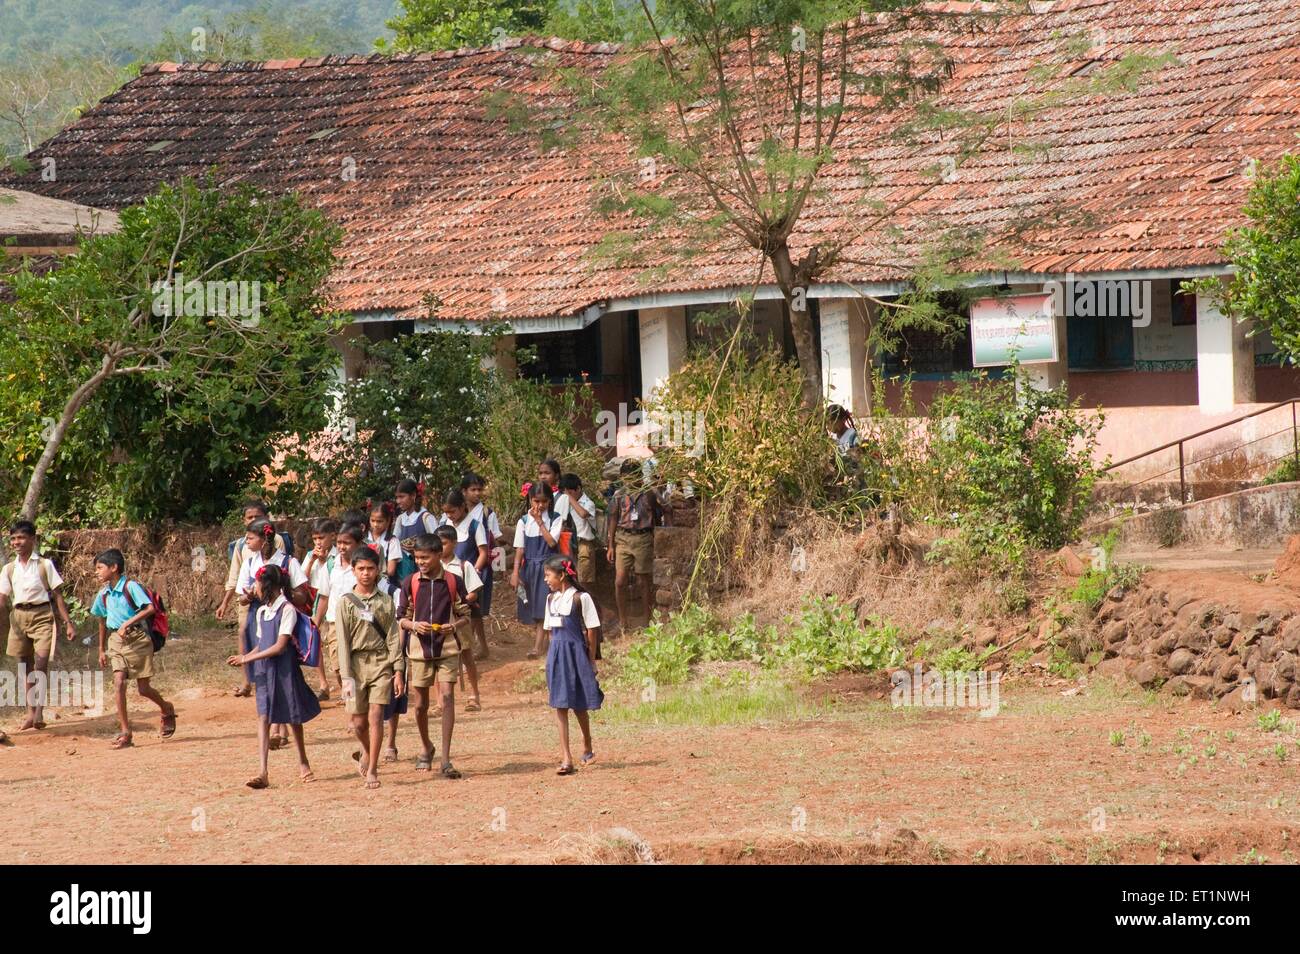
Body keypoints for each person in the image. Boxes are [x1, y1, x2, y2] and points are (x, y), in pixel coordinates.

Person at [225, 564, 319, 788]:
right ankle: (263, 771)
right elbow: (261, 645)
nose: (254, 589)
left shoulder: (287, 609)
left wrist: (246, 659)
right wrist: (245, 656)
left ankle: (303, 762)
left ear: (268, 585)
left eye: (257, 584)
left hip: (284, 670)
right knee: (263, 717)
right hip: (264, 671)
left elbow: (279, 646)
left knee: (293, 717)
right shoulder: (261, 611)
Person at [395, 534, 472, 778]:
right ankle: (426, 746)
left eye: (425, 557)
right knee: (419, 706)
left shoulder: (453, 581)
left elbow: (465, 614)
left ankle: (446, 759)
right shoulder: (410, 583)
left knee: (447, 697)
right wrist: (413, 625)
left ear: (439, 555)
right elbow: (402, 617)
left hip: (447, 647)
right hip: (418, 650)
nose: (421, 562)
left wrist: (454, 626)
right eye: (417, 558)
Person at [236, 519, 311, 749]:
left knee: (282, 671)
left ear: (262, 538)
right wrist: (251, 596)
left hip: (282, 614)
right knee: (265, 672)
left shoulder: (287, 561)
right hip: (259, 613)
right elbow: (241, 597)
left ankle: (280, 728)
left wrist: (283, 595)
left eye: (250, 538)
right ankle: (275, 726)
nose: (247, 542)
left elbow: (303, 595)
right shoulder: (250, 562)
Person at [90, 548, 176, 749]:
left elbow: (149, 608)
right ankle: (126, 732)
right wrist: (101, 649)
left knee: (144, 689)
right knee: (119, 681)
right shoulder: (103, 594)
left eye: (100, 567)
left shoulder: (131, 587)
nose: (97, 572)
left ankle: (166, 708)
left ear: (114, 568)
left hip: (137, 639)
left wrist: (127, 623)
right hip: (116, 641)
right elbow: (101, 620)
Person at [335, 546, 402, 790]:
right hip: (354, 665)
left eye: (370, 568)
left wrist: (398, 670)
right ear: (353, 570)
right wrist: (345, 677)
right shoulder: (345, 603)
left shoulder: (385, 602)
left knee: (376, 717)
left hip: (381, 664)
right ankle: (366, 749)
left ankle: (373, 767)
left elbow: (393, 637)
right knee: (359, 723)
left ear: (378, 571)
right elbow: (342, 642)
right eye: (361, 568)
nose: (365, 573)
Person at [0, 520, 76, 732]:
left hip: (42, 615)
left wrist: (68, 623)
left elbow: (58, 595)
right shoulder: (9, 569)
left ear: (32, 539)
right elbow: (2, 598)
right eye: (13, 538)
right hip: (18, 617)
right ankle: (30, 713)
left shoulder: (44, 565)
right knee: (24, 667)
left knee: (41, 663)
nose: (17, 542)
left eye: (22, 537)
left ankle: (40, 710)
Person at [215, 499, 287, 697]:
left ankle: (272, 678)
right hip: (249, 598)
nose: (253, 519)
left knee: (271, 636)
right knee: (244, 631)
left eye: (257, 516)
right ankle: (246, 681)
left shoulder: (277, 541)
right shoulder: (242, 545)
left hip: (272, 598)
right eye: (250, 517)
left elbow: (279, 570)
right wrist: (226, 601)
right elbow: (235, 575)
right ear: (243, 520)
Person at [540, 555, 603, 775]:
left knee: (578, 705)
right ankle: (566, 757)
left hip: (576, 654)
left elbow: (592, 629)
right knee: (560, 705)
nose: (546, 580)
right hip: (557, 655)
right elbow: (550, 632)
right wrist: (552, 659)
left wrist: (591, 658)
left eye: (548, 575)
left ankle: (587, 743)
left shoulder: (581, 598)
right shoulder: (550, 600)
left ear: (562, 575)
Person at [439, 488, 488, 710]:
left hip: (459, 618)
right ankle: (440, 701)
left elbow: (474, 592)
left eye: (445, 544)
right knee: (438, 659)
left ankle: (473, 696)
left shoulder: (463, 566)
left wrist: (462, 600)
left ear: (454, 544)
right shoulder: (433, 568)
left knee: (467, 656)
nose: (441, 548)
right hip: (440, 619)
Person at [606, 458, 662, 633]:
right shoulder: (618, 495)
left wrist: (655, 539)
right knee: (620, 581)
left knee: (642, 581)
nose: (628, 482)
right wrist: (610, 545)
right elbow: (613, 519)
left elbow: (656, 517)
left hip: (643, 538)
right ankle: (623, 620)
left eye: (632, 478)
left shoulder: (648, 494)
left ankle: (646, 619)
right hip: (623, 538)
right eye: (625, 478)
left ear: (639, 477)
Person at [512, 482, 563, 660]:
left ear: (549, 501)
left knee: (544, 606)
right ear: (530, 499)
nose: (540, 505)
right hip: (530, 568)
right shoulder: (523, 521)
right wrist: (515, 572)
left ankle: (538, 646)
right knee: (532, 606)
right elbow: (520, 549)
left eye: (544, 501)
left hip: (548, 567)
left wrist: (540, 522)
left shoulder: (556, 518)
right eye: (536, 501)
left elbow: (551, 542)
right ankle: (545, 643)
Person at [319, 522, 366, 705]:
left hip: (358, 623)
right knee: (338, 666)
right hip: (333, 623)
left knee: (356, 664)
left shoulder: (363, 567)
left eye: (346, 543)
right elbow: (324, 596)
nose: (341, 547)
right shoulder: (330, 566)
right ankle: (350, 697)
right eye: (339, 542)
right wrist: (316, 622)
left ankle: (354, 700)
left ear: (357, 544)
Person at [461, 472, 503, 659]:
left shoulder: (487, 514)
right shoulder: (457, 512)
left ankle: (468, 649)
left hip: (480, 568)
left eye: (480, 489)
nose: (477, 493)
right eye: (473, 489)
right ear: (464, 491)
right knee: (468, 611)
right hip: (459, 567)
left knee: (474, 610)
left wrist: (500, 569)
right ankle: (479, 647)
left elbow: (496, 541)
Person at [302, 518, 338, 700]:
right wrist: (313, 561)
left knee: (335, 644)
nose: (318, 542)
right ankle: (323, 683)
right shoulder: (310, 555)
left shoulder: (338, 555)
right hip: (314, 599)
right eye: (315, 538)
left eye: (321, 538)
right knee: (315, 641)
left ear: (332, 536)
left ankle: (341, 682)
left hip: (332, 601)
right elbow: (302, 580)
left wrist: (325, 560)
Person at [557, 473, 600, 588]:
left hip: (584, 543)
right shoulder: (565, 502)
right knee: (570, 574)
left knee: (584, 578)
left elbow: (583, 514)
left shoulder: (588, 503)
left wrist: (569, 498)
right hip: (569, 543)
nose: (568, 496)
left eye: (570, 493)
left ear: (578, 489)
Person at [393, 479, 438, 585]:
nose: (398, 501)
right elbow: (394, 541)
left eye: (402, 497)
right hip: (404, 570)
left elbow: (437, 542)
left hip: (424, 568)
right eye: (397, 497)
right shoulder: (401, 519)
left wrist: (419, 547)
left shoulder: (426, 517)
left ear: (413, 495)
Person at [366, 503, 403, 592]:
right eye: (372, 520)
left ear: (388, 521)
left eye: (379, 521)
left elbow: (390, 570)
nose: (375, 524)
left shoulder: (392, 541)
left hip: (384, 585)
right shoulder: (364, 538)